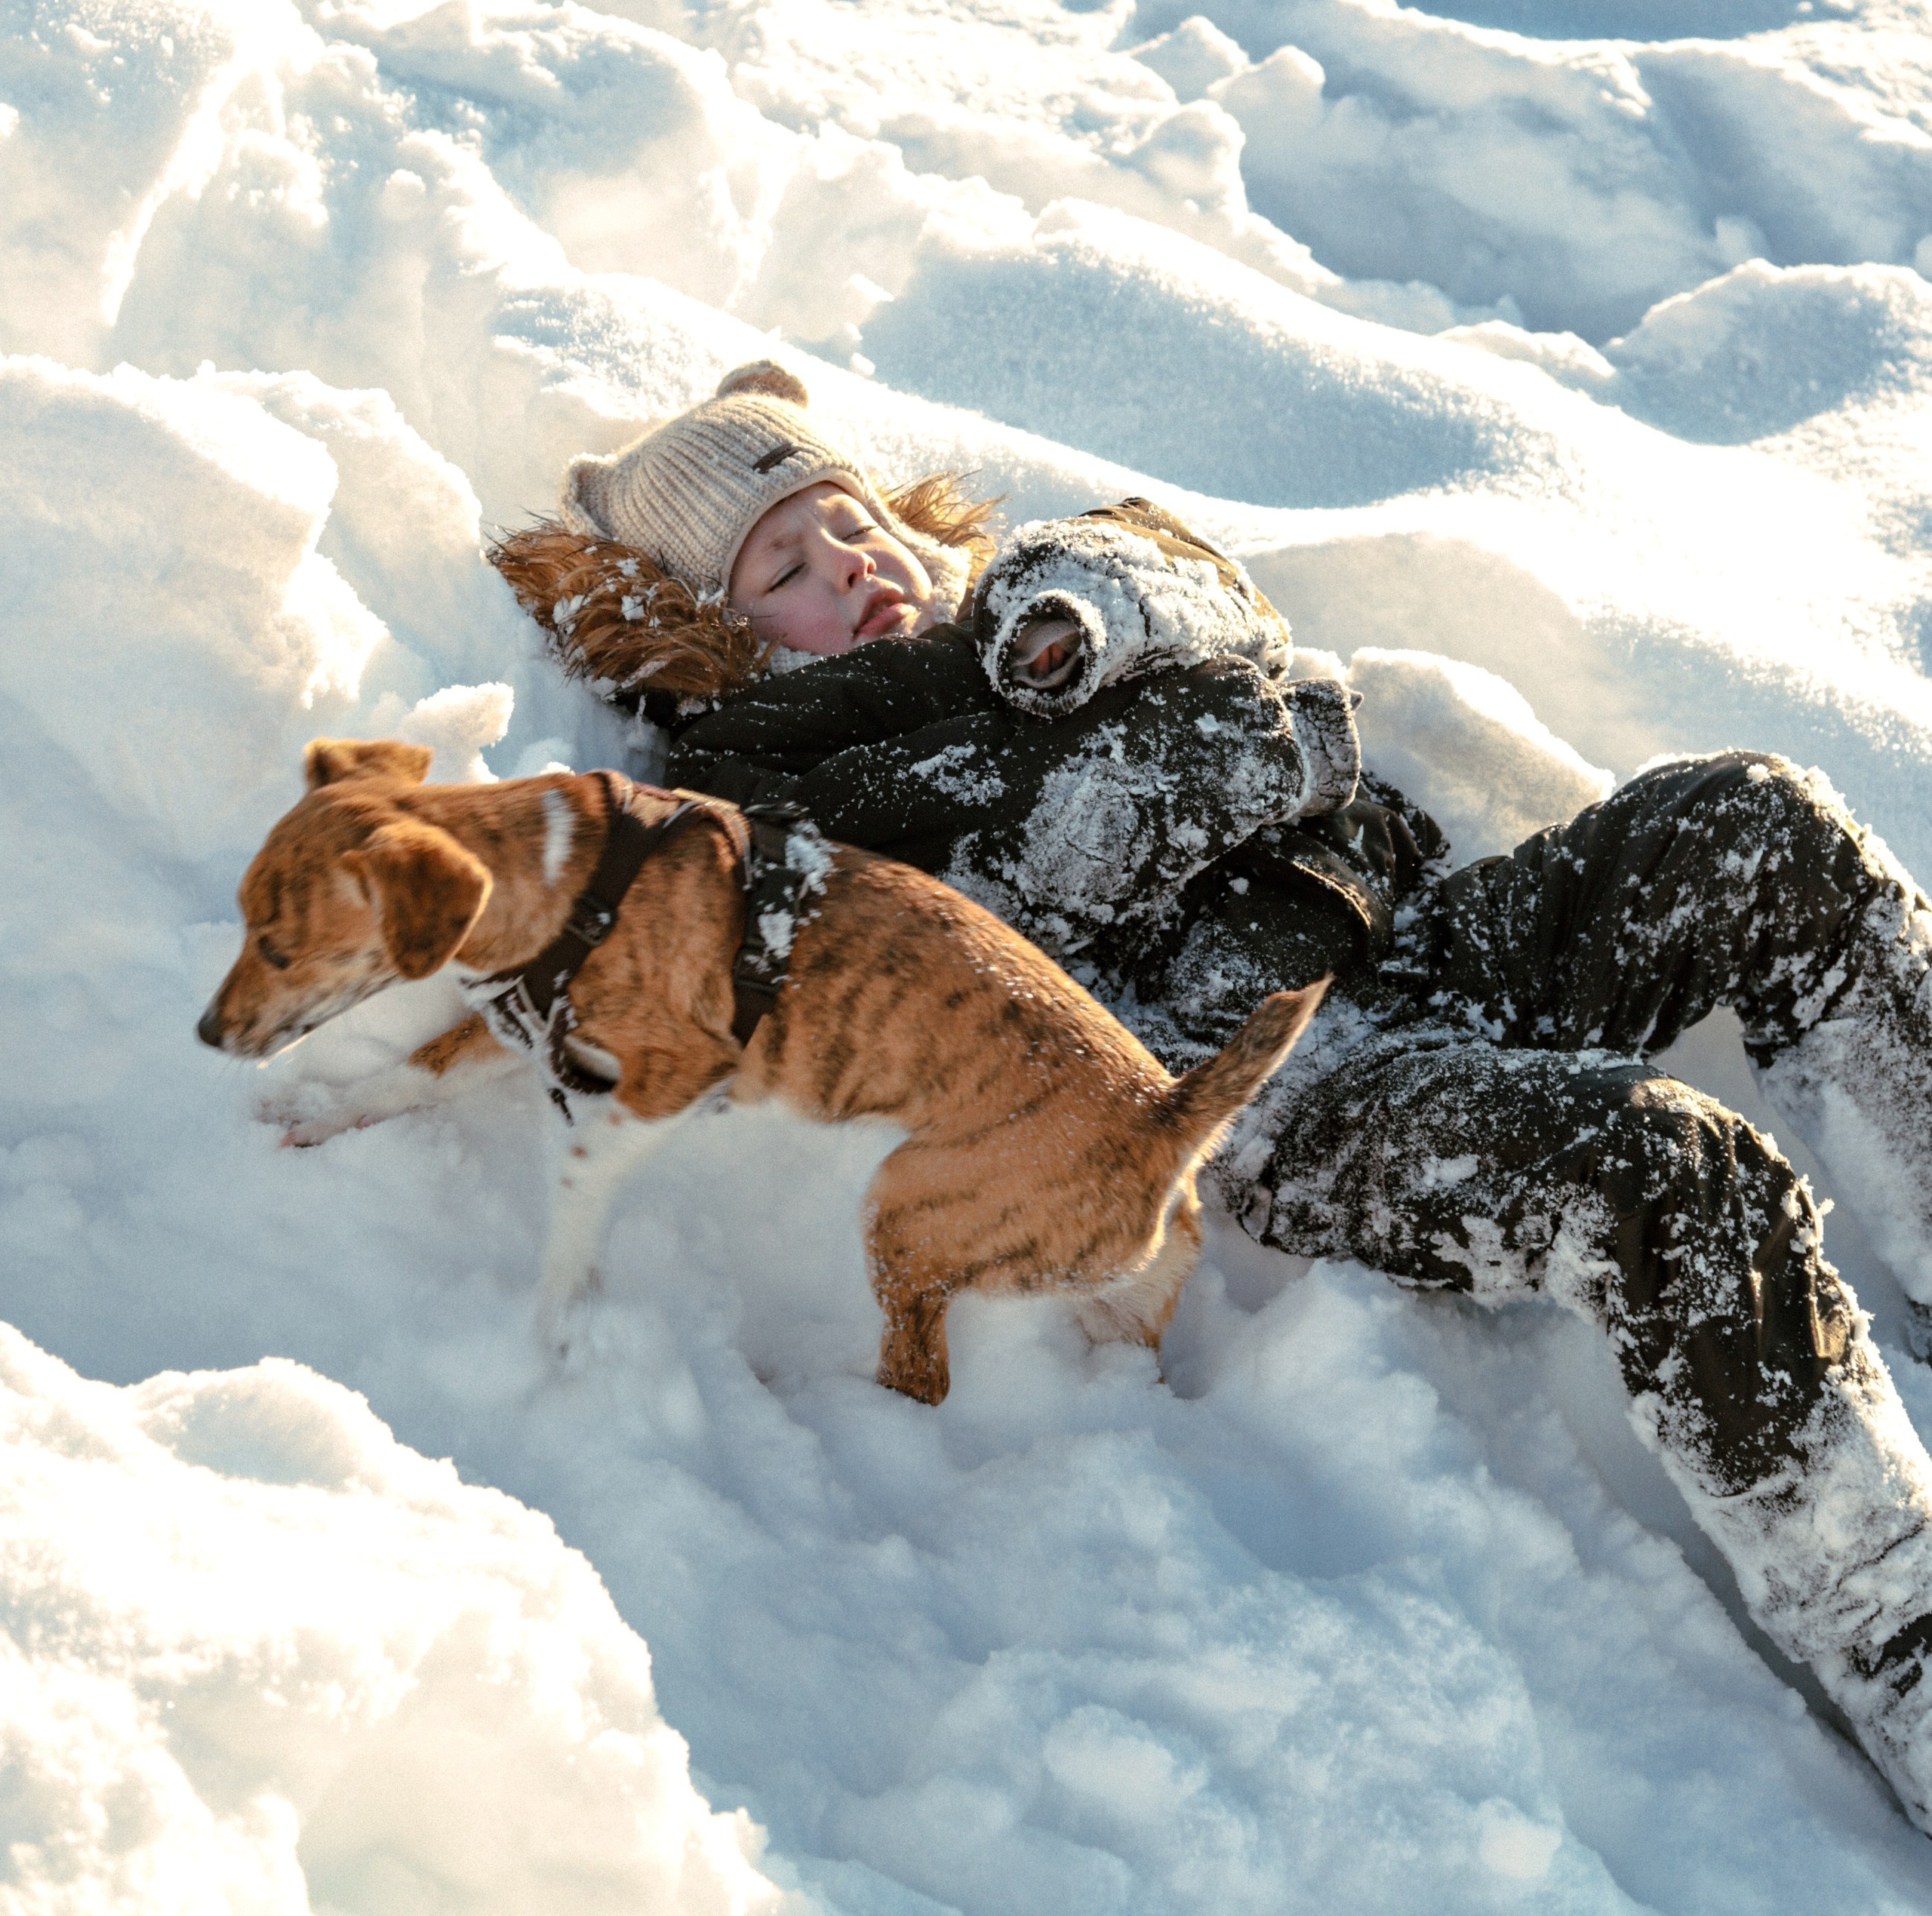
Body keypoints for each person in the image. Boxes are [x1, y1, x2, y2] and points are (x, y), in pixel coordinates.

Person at [493, 358, 1932, 1832]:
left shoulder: (1042, 601)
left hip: (1420, 941)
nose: (845, 563)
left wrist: (1164, 686)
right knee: (1667, 1174)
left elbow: (1224, 625)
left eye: (850, 519)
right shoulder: (778, 782)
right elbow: (965, 940)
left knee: (1757, 827)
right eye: (782, 567)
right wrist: (1171, 766)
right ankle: (1899, 1640)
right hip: (1289, 1091)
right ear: (723, 636)